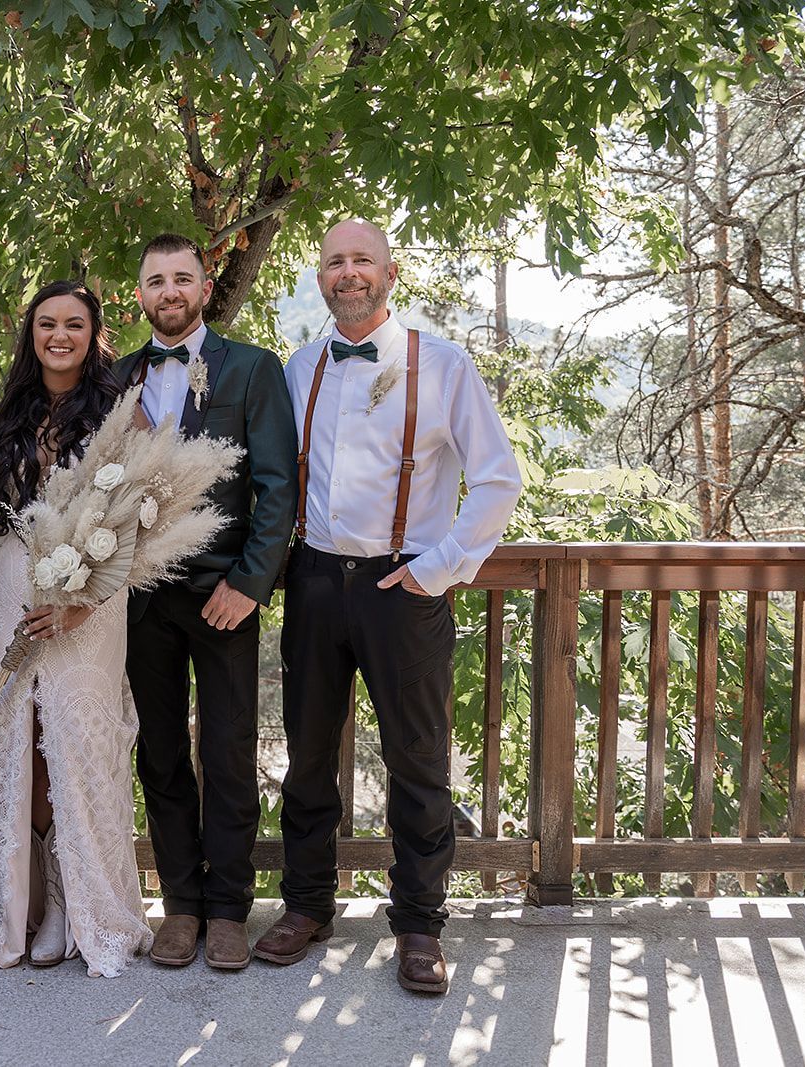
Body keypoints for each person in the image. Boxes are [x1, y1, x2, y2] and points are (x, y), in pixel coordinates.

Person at [259, 219, 521, 993]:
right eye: (335, 260)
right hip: (311, 580)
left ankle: (418, 924)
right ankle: (307, 905)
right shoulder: (297, 367)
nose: (348, 272)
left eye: (361, 259)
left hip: (401, 588)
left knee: (417, 758)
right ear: (320, 278)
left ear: (390, 273)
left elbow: (498, 480)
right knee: (306, 754)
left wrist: (435, 568)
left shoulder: (442, 366)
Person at [113, 234, 297, 971]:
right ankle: (181, 904)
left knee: (226, 750)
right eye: (155, 280)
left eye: (181, 278)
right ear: (140, 296)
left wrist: (249, 583)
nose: (169, 291)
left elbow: (278, 485)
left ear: (205, 285)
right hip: (140, 598)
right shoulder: (118, 377)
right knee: (160, 754)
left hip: (223, 594)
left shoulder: (250, 369)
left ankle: (229, 907)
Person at [0, 280, 154, 978]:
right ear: (31, 334)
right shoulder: (2, 412)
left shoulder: (121, 412)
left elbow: (143, 519)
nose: (59, 335)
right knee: (19, 738)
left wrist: (83, 600)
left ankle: (74, 908)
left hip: (91, 599)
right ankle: (24, 902)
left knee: (75, 741)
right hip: (9, 585)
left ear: (93, 332)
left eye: (73, 324)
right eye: (46, 323)